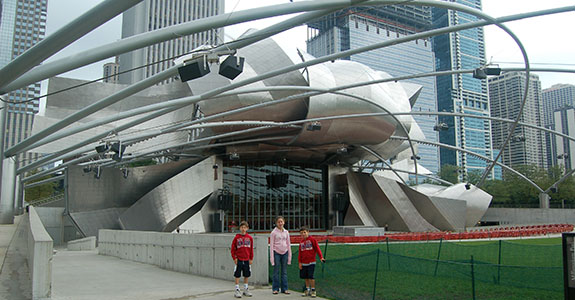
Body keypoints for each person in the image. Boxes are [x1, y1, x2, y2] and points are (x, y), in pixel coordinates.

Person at [298, 226, 325, 298]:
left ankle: (313, 290)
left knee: (311, 276)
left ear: (308, 232)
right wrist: (300, 262)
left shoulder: (312, 240)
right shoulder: (301, 242)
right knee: (305, 277)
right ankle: (307, 289)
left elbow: (317, 248)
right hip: (304, 262)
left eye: (304, 232)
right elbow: (300, 253)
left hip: (311, 262)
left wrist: (321, 257)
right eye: (301, 233)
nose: (303, 234)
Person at [231, 221, 254, 298]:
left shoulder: (250, 238)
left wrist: (251, 258)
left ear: (247, 228)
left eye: (245, 227)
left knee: (246, 274)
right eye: (242, 227)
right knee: (237, 275)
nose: (243, 229)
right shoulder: (236, 238)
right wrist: (234, 258)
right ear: (240, 228)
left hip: (247, 259)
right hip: (239, 259)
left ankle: (246, 288)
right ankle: (237, 289)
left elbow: (251, 249)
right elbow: (232, 249)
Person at [270, 216, 292, 294]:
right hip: (276, 253)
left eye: (281, 222)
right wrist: (272, 259)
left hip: (285, 252)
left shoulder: (286, 232)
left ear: (284, 222)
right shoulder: (273, 233)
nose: (280, 223)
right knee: (276, 271)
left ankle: (285, 288)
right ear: (276, 223)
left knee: (284, 272)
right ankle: (275, 288)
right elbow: (271, 246)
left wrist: (289, 257)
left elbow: (288, 244)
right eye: (278, 222)